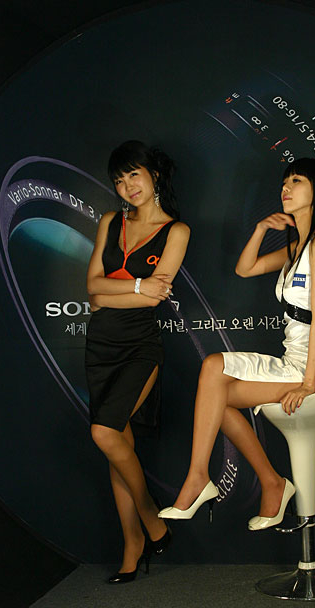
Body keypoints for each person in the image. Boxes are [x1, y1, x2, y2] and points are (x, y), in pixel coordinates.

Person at [159, 158, 315, 530]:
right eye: (285, 181)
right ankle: (261, 481)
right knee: (214, 379)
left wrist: (308, 384)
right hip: (294, 359)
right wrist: (262, 228)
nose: (286, 188)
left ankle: (211, 480)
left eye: (297, 181)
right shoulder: (297, 247)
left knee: (216, 385)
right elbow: (245, 269)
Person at [85, 140, 190, 582]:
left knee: (105, 432)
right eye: (119, 179)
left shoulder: (176, 231)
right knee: (118, 445)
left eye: (134, 174)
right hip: (100, 348)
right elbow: (91, 288)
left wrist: (124, 292)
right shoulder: (111, 222)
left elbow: (154, 297)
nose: (127, 186)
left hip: (140, 347)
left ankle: (150, 516)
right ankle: (133, 542)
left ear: (154, 175)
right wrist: (135, 287)